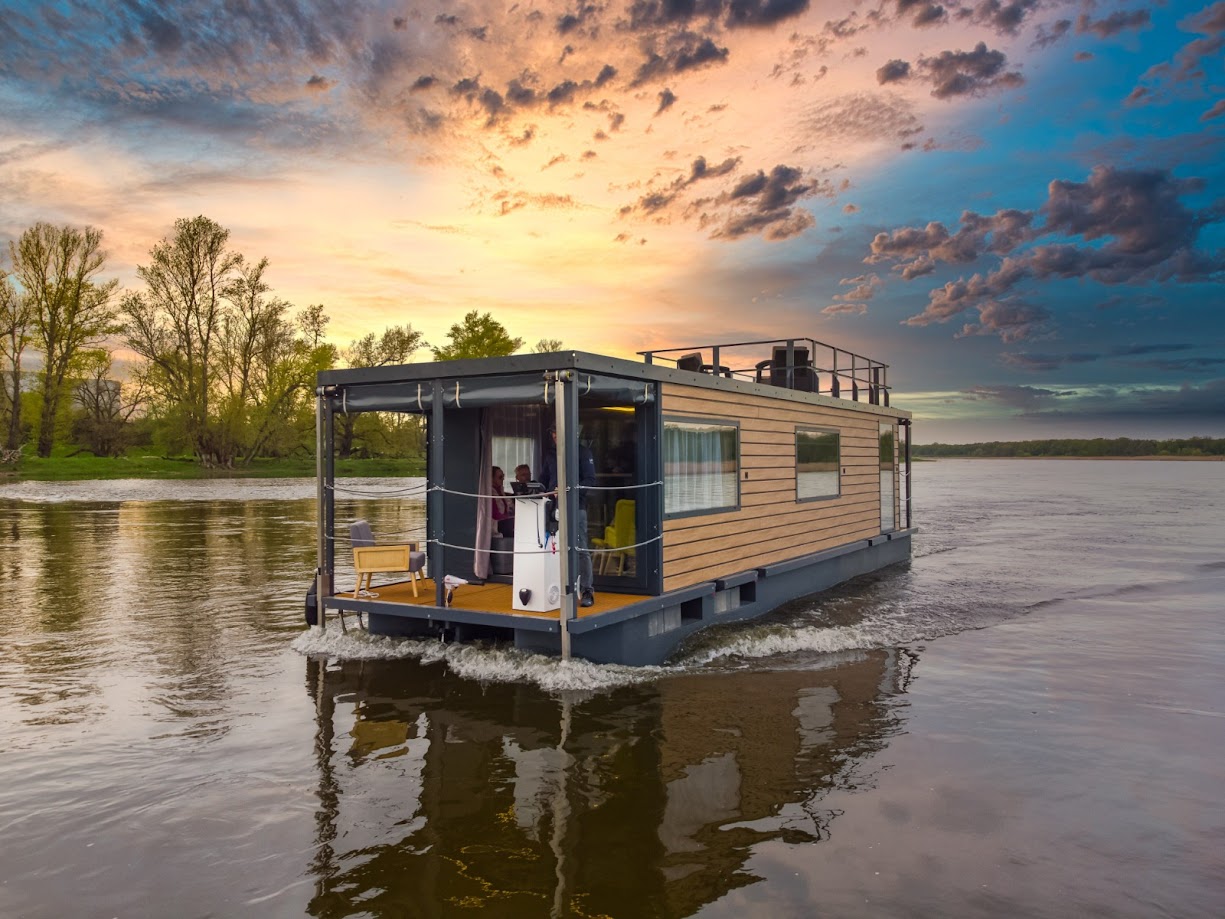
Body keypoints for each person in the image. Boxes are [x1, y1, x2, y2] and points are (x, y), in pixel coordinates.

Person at [539, 424, 597, 607]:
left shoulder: (583, 453)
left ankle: (587, 591)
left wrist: (569, 492)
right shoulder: (549, 455)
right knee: (551, 547)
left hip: (576, 508)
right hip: (552, 508)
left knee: (580, 549)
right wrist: (548, 491)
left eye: (557, 432)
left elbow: (590, 480)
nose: (555, 435)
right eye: (553, 432)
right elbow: (543, 481)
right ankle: (554, 589)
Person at [491, 466, 514, 537]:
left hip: (503, 522)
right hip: (496, 524)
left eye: (503, 476)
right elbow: (496, 514)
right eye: (500, 477)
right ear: (492, 478)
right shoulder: (489, 492)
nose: (503, 479)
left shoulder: (500, 491)